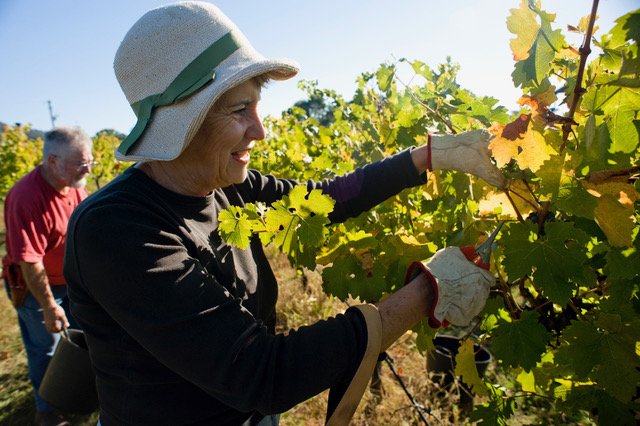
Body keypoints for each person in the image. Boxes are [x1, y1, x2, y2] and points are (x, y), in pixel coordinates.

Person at [63, 3, 506, 425]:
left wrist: (427, 156)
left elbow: (327, 198)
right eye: (239, 110)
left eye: (257, 105)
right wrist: (429, 290)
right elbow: (259, 372)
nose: (260, 130)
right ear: (182, 125)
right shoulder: (117, 231)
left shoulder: (230, 185)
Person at [2, 126, 94, 426]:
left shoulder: (75, 182)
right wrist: (48, 305)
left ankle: (79, 392)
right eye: (81, 164)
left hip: (72, 281)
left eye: (90, 161)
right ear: (52, 161)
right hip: (37, 288)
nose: (88, 169)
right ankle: (46, 411)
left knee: (83, 338)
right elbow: (30, 262)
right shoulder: (25, 197)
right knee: (45, 348)